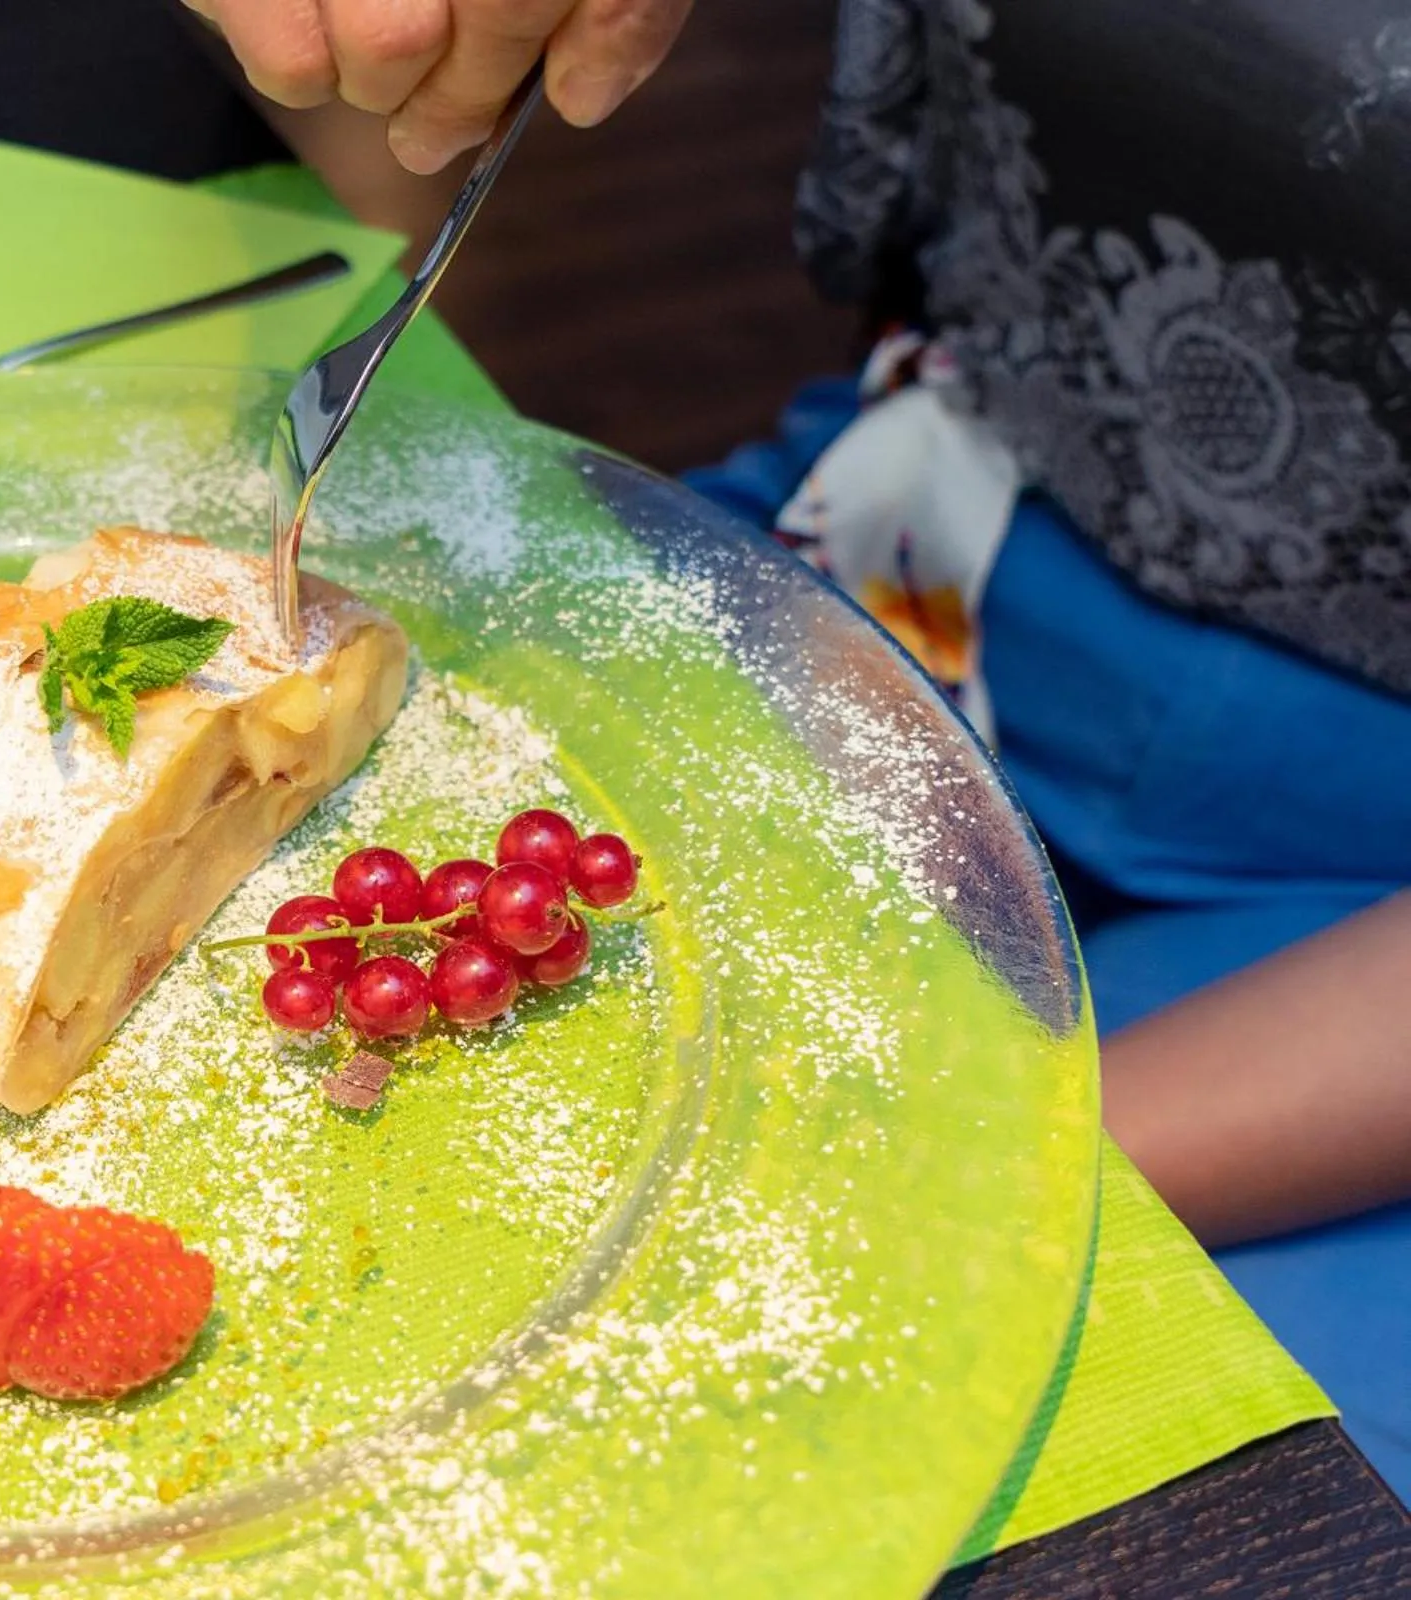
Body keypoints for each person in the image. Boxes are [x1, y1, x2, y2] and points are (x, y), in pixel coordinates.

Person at [185, 0, 1411, 1492]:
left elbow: (928, 1210)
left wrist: (977, 1184)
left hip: (1354, 889)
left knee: (902, 1440)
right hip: (916, 524)